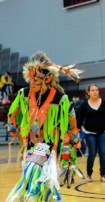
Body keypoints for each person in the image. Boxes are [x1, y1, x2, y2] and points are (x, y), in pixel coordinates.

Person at [6, 51, 82, 201]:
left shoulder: (60, 98)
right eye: (31, 80)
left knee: (35, 170)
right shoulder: (24, 94)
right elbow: (12, 114)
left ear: (47, 80)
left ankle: (33, 198)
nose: (32, 83)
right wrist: (12, 125)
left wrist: (73, 138)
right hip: (30, 142)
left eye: (36, 80)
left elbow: (72, 119)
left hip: (48, 143)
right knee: (38, 177)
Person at [77, 84, 105, 182]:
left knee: (103, 153)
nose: (95, 92)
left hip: (104, 132)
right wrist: (77, 131)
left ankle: (103, 175)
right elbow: (80, 119)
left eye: (97, 90)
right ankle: (89, 174)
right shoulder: (84, 105)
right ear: (88, 92)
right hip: (89, 133)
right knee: (92, 153)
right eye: (93, 90)